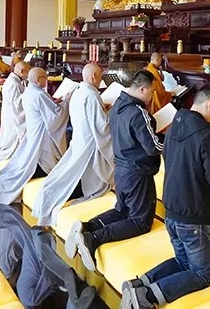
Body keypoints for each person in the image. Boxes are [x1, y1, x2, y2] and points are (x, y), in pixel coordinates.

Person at [121, 84, 210, 308]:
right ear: (209, 104)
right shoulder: (207, 135)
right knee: (203, 273)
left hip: (171, 207)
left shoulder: (176, 122)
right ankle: (147, 297)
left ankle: (139, 284)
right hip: (194, 215)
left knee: (183, 261)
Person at [68, 70, 162, 272]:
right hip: (137, 171)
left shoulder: (119, 104)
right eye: (151, 91)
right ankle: (93, 238)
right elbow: (152, 147)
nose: (152, 95)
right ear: (142, 89)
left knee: (122, 210)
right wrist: (171, 141)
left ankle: (88, 226)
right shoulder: (138, 112)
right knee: (140, 221)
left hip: (121, 168)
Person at [31, 63, 113, 227]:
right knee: (87, 175)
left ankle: (48, 196)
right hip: (90, 141)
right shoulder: (91, 95)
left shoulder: (79, 91)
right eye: (100, 76)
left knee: (69, 170)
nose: (100, 80)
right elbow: (101, 126)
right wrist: (112, 115)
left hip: (80, 138)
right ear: (94, 76)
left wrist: (102, 109)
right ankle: (55, 196)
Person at [0, 67, 69, 204]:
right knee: (40, 163)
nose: (47, 79)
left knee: (26, 161)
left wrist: (52, 103)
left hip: (33, 132)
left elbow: (44, 107)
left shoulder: (30, 91)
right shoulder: (38, 94)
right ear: (38, 80)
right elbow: (55, 116)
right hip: (41, 136)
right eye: (45, 77)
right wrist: (66, 101)